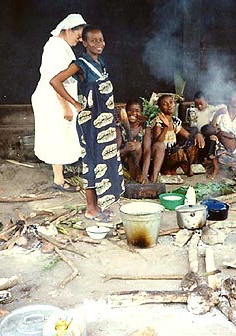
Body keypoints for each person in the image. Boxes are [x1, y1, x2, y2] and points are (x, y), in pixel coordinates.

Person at [50, 25, 124, 223]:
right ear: (84, 42)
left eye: (101, 40)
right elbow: (55, 81)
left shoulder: (101, 62)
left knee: (104, 162)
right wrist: (74, 103)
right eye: (93, 40)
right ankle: (90, 208)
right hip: (90, 123)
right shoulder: (80, 64)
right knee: (92, 162)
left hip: (105, 122)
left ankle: (99, 206)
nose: (98, 44)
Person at [31, 14, 87, 192]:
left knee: (63, 135)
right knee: (57, 135)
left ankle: (61, 172)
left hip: (59, 96)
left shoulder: (62, 46)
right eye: (78, 36)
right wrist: (65, 107)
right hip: (52, 98)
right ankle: (59, 180)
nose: (79, 41)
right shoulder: (54, 47)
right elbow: (53, 79)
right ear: (68, 30)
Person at [150, 94, 204, 182]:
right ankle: (166, 170)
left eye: (171, 102)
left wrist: (197, 135)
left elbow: (187, 135)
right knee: (178, 151)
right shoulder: (158, 122)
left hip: (173, 151)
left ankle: (181, 167)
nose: (169, 105)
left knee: (193, 141)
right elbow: (158, 142)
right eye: (165, 104)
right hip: (163, 155)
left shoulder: (175, 121)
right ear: (160, 107)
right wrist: (166, 127)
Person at [116, 98, 152, 183]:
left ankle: (139, 177)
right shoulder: (120, 127)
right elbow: (115, 153)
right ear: (125, 111)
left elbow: (147, 151)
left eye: (137, 111)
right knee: (136, 146)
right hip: (124, 165)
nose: (133, 113)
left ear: (141, 113)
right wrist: (126, 149)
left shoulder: (145, 126)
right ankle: (133, 179)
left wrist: (144, 174)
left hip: (140, 164)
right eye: (130, 110)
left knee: (138, 146)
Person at [192, 91, 226, 179]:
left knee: (212, 138)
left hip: (208, 136)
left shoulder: (210, 109)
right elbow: (193, 126)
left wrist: (219, 112)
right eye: (196, 104)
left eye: (201, 104)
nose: (199, 106)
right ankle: (197, 163)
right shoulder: (193, 111)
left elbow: (223, 107)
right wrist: (197, 134)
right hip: (197, 136)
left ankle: (215, 167)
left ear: (207, 101)